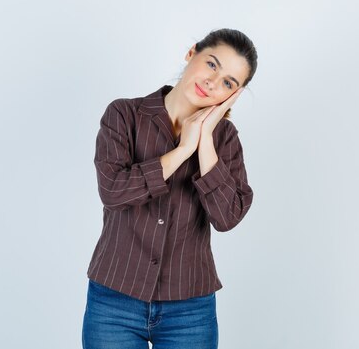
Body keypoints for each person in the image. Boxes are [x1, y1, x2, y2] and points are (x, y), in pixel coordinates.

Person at [82, 28, 258, 349]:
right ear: (192, 53)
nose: (213, 82)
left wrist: (205, 140)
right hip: (114, 300)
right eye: (212, 65)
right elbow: (113, 190)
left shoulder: (225, 139)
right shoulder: (124, 115)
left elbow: (227, 217)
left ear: (235, 94)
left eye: (229, 83)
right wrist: (181, 151)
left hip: (190, 309)